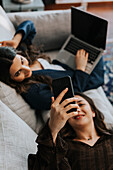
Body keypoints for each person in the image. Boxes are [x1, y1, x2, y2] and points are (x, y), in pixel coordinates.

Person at [0, 20, 104, 114]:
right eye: (18, 73)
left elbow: (29, 25)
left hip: (65, 65)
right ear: (10, 80)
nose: (27, 70)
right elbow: (72, 94)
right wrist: (80, 68)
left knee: (89, 32)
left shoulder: (19, 56)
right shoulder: (34, 92)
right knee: (96, 44)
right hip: (85, 79)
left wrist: (16, 40)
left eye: (22, 61)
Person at [28, 90, 113, 170]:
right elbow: (44, 165)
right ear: (66, 118)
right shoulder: (63, 148)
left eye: (81, 104)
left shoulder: (110, 137)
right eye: (70, 108)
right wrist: (53, 128)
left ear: (93, 111)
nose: (77, 110)